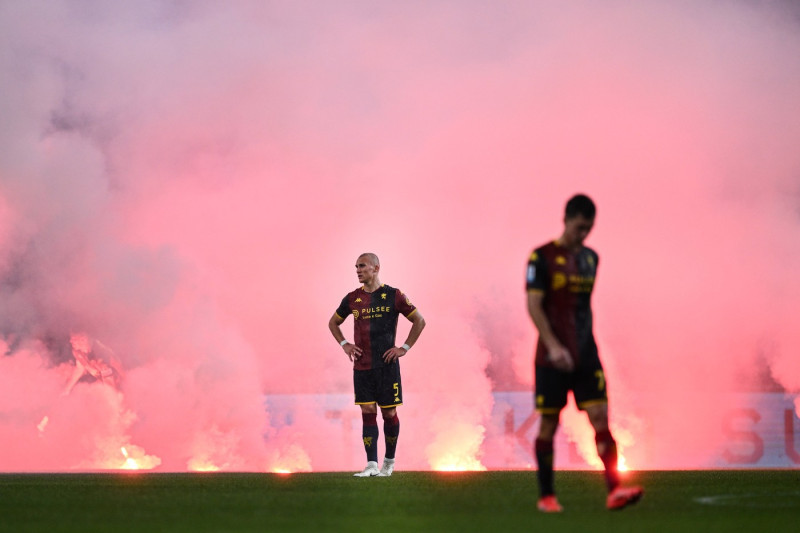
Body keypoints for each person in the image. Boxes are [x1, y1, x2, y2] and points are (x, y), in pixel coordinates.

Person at [526, 194, 643, 512]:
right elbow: (534, 305)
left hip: (586, 354)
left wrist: (583, 345)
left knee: (601, 418)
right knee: (549, 424)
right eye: (579, 227)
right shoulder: (541, 257)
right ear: (566, 219)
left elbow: (581, 308)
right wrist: (554, 346)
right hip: (551, 357)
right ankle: (547, 497)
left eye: (588, 229)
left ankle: (614, 491)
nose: (584, 234)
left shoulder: (592, 258)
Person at [328, 253, 425, 477]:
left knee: (389, 413)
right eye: (356, 267)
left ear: (376, 268)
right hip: (362, 366)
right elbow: (333, 322)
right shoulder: (352, 298)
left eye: (362, 266)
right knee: (367, 410)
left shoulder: (393, 295)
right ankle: (371, 465)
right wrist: (345, 344)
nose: (358, 270)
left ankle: (388, 463)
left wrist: (404, 348)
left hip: (387, 366)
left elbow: (419, 320)